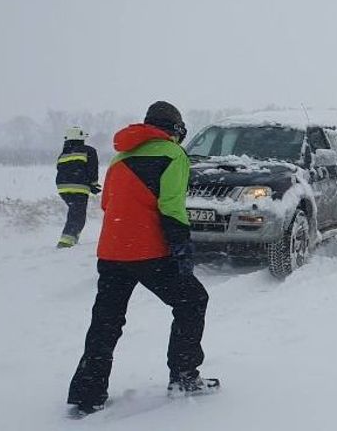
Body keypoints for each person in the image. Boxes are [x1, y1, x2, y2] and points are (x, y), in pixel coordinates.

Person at [67, 101, 217, 418]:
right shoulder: (174, 155)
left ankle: (88, 394)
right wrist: (181, 248)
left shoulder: (120, 156)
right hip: (149, 252)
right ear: (175, 130)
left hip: (111, 252)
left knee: (106, 321)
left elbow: (107, 204)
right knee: (193, 301)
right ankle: (184, 377)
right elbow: (172, 207)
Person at [55, 126, 100, 248]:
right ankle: (67, 241)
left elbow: (60, 169)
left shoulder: (63, 153)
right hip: (79, 187)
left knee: (74, 211)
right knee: (78, 214)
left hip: (62, 188)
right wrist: (93, 184)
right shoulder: (88, 150)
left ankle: (71, 239)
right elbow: (92, 169)